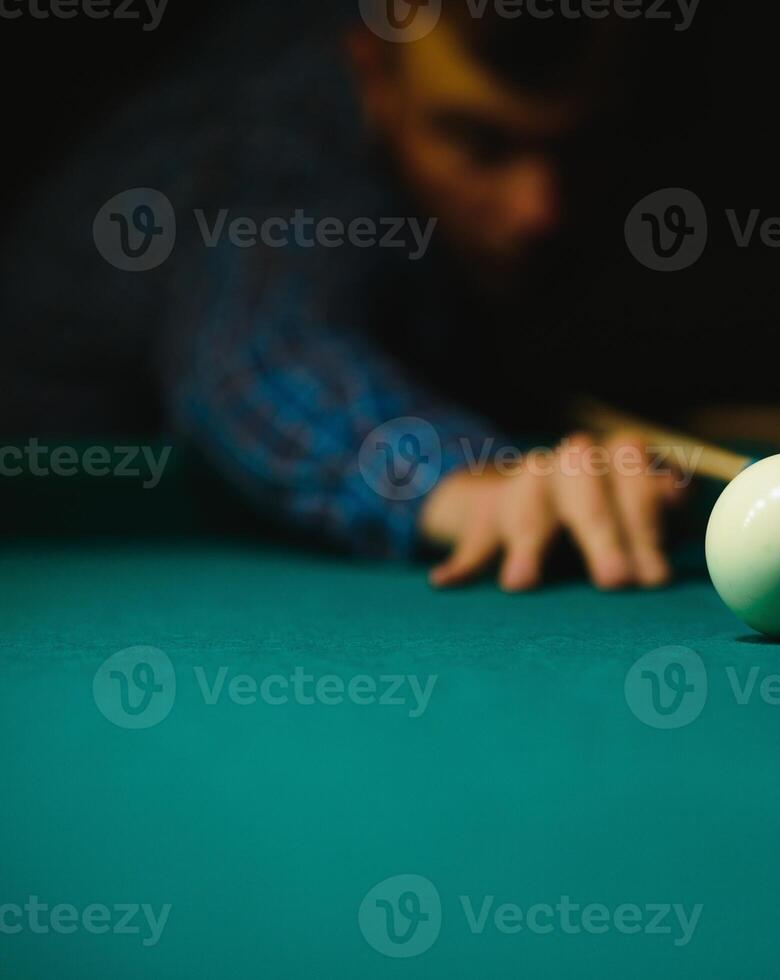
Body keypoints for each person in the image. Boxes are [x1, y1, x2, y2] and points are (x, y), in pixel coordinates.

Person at [0, 4, 681, 592]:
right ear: (373, 72)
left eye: (571, 144)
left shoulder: (407, 68)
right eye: (479, 142)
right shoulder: (280, 144)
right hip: (67, 523)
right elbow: (259, 352)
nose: (541, 210)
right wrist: (471, 483)